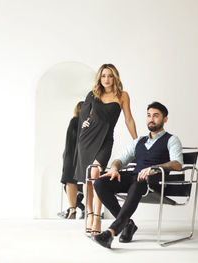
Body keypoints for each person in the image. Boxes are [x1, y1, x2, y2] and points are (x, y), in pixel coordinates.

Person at [92, 102, 183, 248]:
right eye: (148, 115)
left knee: (140, 180)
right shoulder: (139, 141)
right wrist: (115, 168)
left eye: (156, 116)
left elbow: (177, 164)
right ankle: (127, 224)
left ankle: (112, 231)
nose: (151, 119)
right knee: (100, 183)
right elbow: (120, 159)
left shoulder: (172, 140)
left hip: (155, 182)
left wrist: (155, 168)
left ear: (165, 119)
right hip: (135, 177)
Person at [74, 64, 137, 235]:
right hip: (87, 140)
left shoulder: (122, 96)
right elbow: (83, 115)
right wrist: (85, 122)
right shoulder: (93, 94)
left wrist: (136, 142)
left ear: (115, 77)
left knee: (96, 174)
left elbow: (128, 119)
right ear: (99, 78)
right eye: (103, 76)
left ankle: (97, 218)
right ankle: (90, 215)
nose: (106, 79)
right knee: (88, 178)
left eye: (110, 76)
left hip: (106, 140)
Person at [60, 101, 85, 219]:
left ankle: (72, 209)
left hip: (70, 155)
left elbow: (69, 141)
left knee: (70, 181)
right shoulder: (84, 122)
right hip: (80, 155)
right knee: (83, 182)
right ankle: (83, 209)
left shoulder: (74, 121)